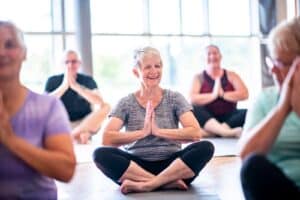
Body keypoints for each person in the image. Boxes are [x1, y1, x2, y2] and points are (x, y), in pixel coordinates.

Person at [93, 46, 214, 194]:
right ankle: (165, 183)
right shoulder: (126, 102)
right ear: (135, 72)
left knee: (206, 147)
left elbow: (195, 133)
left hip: (173, 164)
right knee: (100, 154)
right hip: (136, 167)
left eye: (158, 66)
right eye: (147, 67)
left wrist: (158, 131)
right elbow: (107, 138)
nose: (154, 71)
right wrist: (142, 133)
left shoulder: (175, 98)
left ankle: (147, 184)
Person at [0, 21, 76, 199]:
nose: (1, 52)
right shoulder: (53, 81)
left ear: (23, 53)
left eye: (9, 45)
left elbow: (66, 170)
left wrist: (11, 141)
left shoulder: (47, 107)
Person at [239, 17, 300, 200]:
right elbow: (247, 155)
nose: (273, 70)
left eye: (282, 63)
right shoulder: (266, 99)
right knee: (253, 167)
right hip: (282, 191)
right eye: (272, 61)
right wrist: (283, 107)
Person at [45, 50, 110, 144]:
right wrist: (64, 86)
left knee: (106, 106)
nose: (70, 65)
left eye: (74, 61)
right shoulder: (52, 80)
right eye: (67, 62)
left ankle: (74, 135)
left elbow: (99, 102)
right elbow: (45, 103)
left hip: (84, 123)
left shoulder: (88, 80)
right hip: (61, 123)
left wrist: (75, 86)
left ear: (79, 63)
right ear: (62, 64)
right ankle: (80, 135)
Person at [190, 45, 249, 137]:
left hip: (229, 116)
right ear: (204, 58)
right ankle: (227, 132)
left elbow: (245, 94)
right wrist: (213, 95)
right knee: (192, 109)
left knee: (248, 112)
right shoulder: (198, 77)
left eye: (215, 53)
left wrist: (223, 95)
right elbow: (192, 99)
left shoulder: (232, 75)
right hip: (207, 118)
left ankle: (213, 132)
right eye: (209, 54)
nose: (212, 56)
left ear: (220, 56)